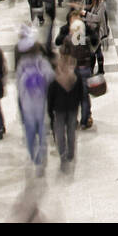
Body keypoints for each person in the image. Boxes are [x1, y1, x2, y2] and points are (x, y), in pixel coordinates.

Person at [15, 28, 54, 173]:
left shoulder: (23, 64)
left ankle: (35, 156)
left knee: (31, 132)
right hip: (39, 102)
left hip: (28, 104)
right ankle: (39, 156)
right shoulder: (41, 62)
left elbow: (18, 83)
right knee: (40, 130)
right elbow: (50, 77)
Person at [47, 42, 84, 174]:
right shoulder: (76, 72)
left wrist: (50, 110)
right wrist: (79, 103)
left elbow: (50, 94)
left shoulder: (55, 74)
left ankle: (63, 154)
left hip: (59, 107)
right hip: (73, 106)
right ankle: (71, 153)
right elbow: (81, 91)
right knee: (71, 131)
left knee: (60, 132)